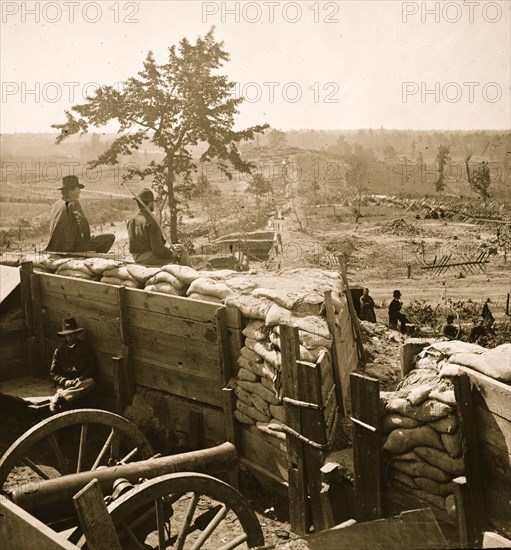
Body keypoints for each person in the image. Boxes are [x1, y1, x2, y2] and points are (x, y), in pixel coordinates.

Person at [45, 175, 115, 254]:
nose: (80, 191)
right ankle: (94, 258)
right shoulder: (74, 202)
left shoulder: (56, 204)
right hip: (73, 247)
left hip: (56, 247)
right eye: (78, 188)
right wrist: (87, 239)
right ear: (71, 190)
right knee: (110, 237)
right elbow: (83, 222)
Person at [127, 188, 191, 266]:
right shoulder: (151, 221)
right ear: (150, 203)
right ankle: (190, 275)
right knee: (181, 251)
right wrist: (172, 254)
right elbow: (158, 250)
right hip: (148, 258)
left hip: (135, 257)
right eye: (152, 203)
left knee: (178, 247)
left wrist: (168, 249)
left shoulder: (131, 220)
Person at [49, 318, 97, 413]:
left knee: (91, 382)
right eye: (67, 335)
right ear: (64, 336)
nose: (70, 337)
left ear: (76, 334)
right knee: (60, 388)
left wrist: (81, 378)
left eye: (72, 334)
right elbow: (53, 373)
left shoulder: (85, 347)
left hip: (80, 382)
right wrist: (64, 381)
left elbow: (93, 367)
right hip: (65, 383)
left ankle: (60, 396)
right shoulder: (59, 351)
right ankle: (62, 395)